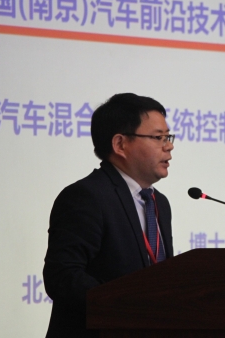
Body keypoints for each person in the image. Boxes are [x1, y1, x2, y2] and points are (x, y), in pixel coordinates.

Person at [43, 93, 175, 338]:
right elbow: (62, 277)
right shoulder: (86, 196)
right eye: (158, 137)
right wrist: (131, 306)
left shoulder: (159, 203)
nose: (169, 146)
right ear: (120, 144)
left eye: (168, 137)